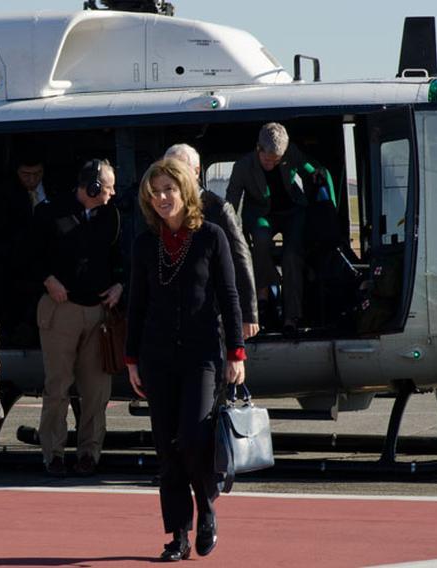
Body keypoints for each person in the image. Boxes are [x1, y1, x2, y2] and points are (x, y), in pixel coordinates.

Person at [125, 158, 245, 561]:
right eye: (154, 191)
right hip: (157, 356)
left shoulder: (211, 237)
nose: (161, 198)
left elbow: (230, 297)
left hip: (203, 356)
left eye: (168, 190)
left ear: (185, 192)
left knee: (194, 439)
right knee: (167, 448)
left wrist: (236, 352)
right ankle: (178, 533)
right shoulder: (145, 244)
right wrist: (131, 359)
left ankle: (207, 508)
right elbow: (136, 305)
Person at [33, 158, 124, 478]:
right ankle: (53, 454)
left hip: (98, 310)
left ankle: (89, 453)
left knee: (97, 390)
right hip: (62, 309)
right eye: (108, 187)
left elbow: (120, 255)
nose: (112, 194)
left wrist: (120, 285)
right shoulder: (49, 212)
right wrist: (47, 279)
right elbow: (28, 253)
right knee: (57, 386)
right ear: (93, 187)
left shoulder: (111, 215)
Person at [225, 122, 320, 332]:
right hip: (260, 213)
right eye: (267, 160)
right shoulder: (242, 167)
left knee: (292, 257)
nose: (271, 164)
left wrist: (315, 177)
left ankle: (291, 317)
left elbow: (308, 170)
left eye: (277, 160)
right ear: (258, 148)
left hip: (293, 212)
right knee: (260, 238)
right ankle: (266, 292)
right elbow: (230, 203)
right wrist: (227, 231)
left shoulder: (291, 153)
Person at [164, 143, 259, 339]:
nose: (174, 176)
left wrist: (249, 314)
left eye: (179, 169)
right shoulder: (161, 211)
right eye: (169, 170)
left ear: (196, 171)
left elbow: (240, 258)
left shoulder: (218, 209)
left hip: (212, 310)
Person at [0, 151, 51, 347]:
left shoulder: (56, 188)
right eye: (25, 174)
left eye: (37, 174)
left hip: (50, 264)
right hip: (15, 268)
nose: (32, 179)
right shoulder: (4, 194)